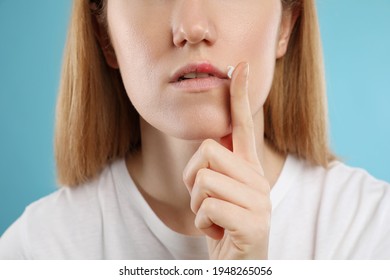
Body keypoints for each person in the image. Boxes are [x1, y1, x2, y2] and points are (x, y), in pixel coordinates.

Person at [0, 0, 389, 260]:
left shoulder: (371, 232)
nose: (192, 28)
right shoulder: (35, 251)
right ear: (105, 37)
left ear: (286, 24)